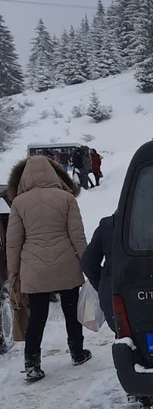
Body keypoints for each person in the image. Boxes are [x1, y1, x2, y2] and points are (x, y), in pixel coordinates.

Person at [4, 155, 91, 381]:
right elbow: (77, 237)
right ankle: (77, 352)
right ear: (54, 173)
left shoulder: (19, 203)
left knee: (37, 317)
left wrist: (14, 271)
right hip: (66, 266)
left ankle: (32, 363)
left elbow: (14, 241)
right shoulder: (66, 198)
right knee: (71, 312)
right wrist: (88, 264)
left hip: (34, 269)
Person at [81, 213, 115, 330]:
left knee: (126, 337)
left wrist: (102, 284)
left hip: (118, 290)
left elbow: (88, 263)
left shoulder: (109, 225)